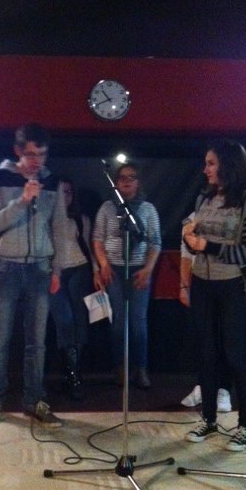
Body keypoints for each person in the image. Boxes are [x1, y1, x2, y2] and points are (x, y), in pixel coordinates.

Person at [0, 123, 67, 428]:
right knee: (0, 338)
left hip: (40, 268)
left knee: (37, 341)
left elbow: (59, 228)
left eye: (42, 155)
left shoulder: (52, 182)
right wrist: (23, 200)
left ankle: (34, 400)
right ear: (17, 151)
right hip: (6, 266)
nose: (36, 161)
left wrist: (57, 269)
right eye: (30, 154)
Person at [183, 139, 246, 451]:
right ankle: (209, 419)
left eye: (211, 163)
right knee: (206, 352)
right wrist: (190, 238)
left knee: (235, 354)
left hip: (232, 285)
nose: (205, 169)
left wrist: (209, 246)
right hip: (203, 282)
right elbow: (196, 239)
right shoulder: (205, 197)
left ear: (228, 165)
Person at [179, 214, 246, 412]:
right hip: (203, 283)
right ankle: (203, 387)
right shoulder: (197, 214)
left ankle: (224, 389)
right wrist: (184, 285)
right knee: (205, 340)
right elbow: (186, 255)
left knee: (228, 341)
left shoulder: (238, 212)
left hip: (231, 283)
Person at [92, 162, 161, 389]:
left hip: (139, 269)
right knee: (118, 323)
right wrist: (103, 265)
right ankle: (120, 367)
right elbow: (98, 238)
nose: (127, 181)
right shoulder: (107, 208)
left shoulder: (148, 209)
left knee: (138, 322)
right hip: (114, 270)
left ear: (138, 182)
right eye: (122, 177)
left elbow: (155, 242)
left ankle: (141, 368)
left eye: (132, 177)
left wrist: (148, 270)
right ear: (116, 182)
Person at [49, 178, 94, 399]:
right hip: (54, 272)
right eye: (61, 192)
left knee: (80, 320)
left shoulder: (81, 218)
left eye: (68, 192)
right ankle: (73, 376)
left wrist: (97, 271)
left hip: (79, 268)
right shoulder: (47, 219)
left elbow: (88, 247)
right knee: (64, 320)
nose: (65, 196)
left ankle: (75, 376)